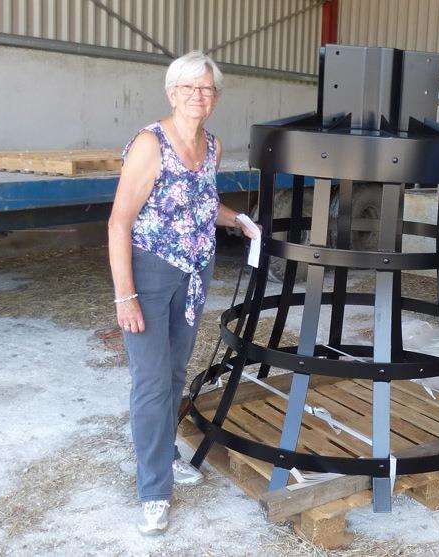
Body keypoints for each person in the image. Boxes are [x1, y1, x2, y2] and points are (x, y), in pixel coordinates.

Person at [108, 51, 259, 535]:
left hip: (195, 273)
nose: (199, 96)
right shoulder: (150, 144)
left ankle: (165, 453)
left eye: (207, 89)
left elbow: (201, 203)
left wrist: (236, 219)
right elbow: (119, 222)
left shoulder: (211, 147)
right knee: (151, 382)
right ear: (172, 93)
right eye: (189, 88)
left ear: (215, 97)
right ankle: (153, 490)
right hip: (150, 274)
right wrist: (125, 295)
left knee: (174, 373)